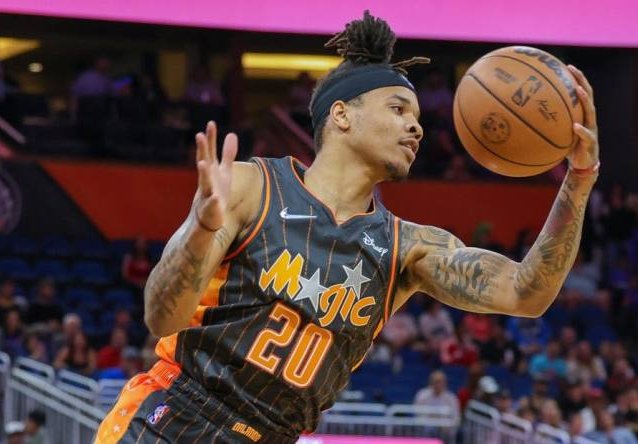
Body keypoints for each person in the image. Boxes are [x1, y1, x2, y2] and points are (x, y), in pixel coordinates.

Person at [96, 10, 600, 443]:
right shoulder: (253, 186)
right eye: (399, 109)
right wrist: (200, 235)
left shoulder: (408, 248)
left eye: (418, 116)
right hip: (172, 419)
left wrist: (578, 181)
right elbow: (162, 317)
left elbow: (526, 293)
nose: (417, 126)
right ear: (341, 115)